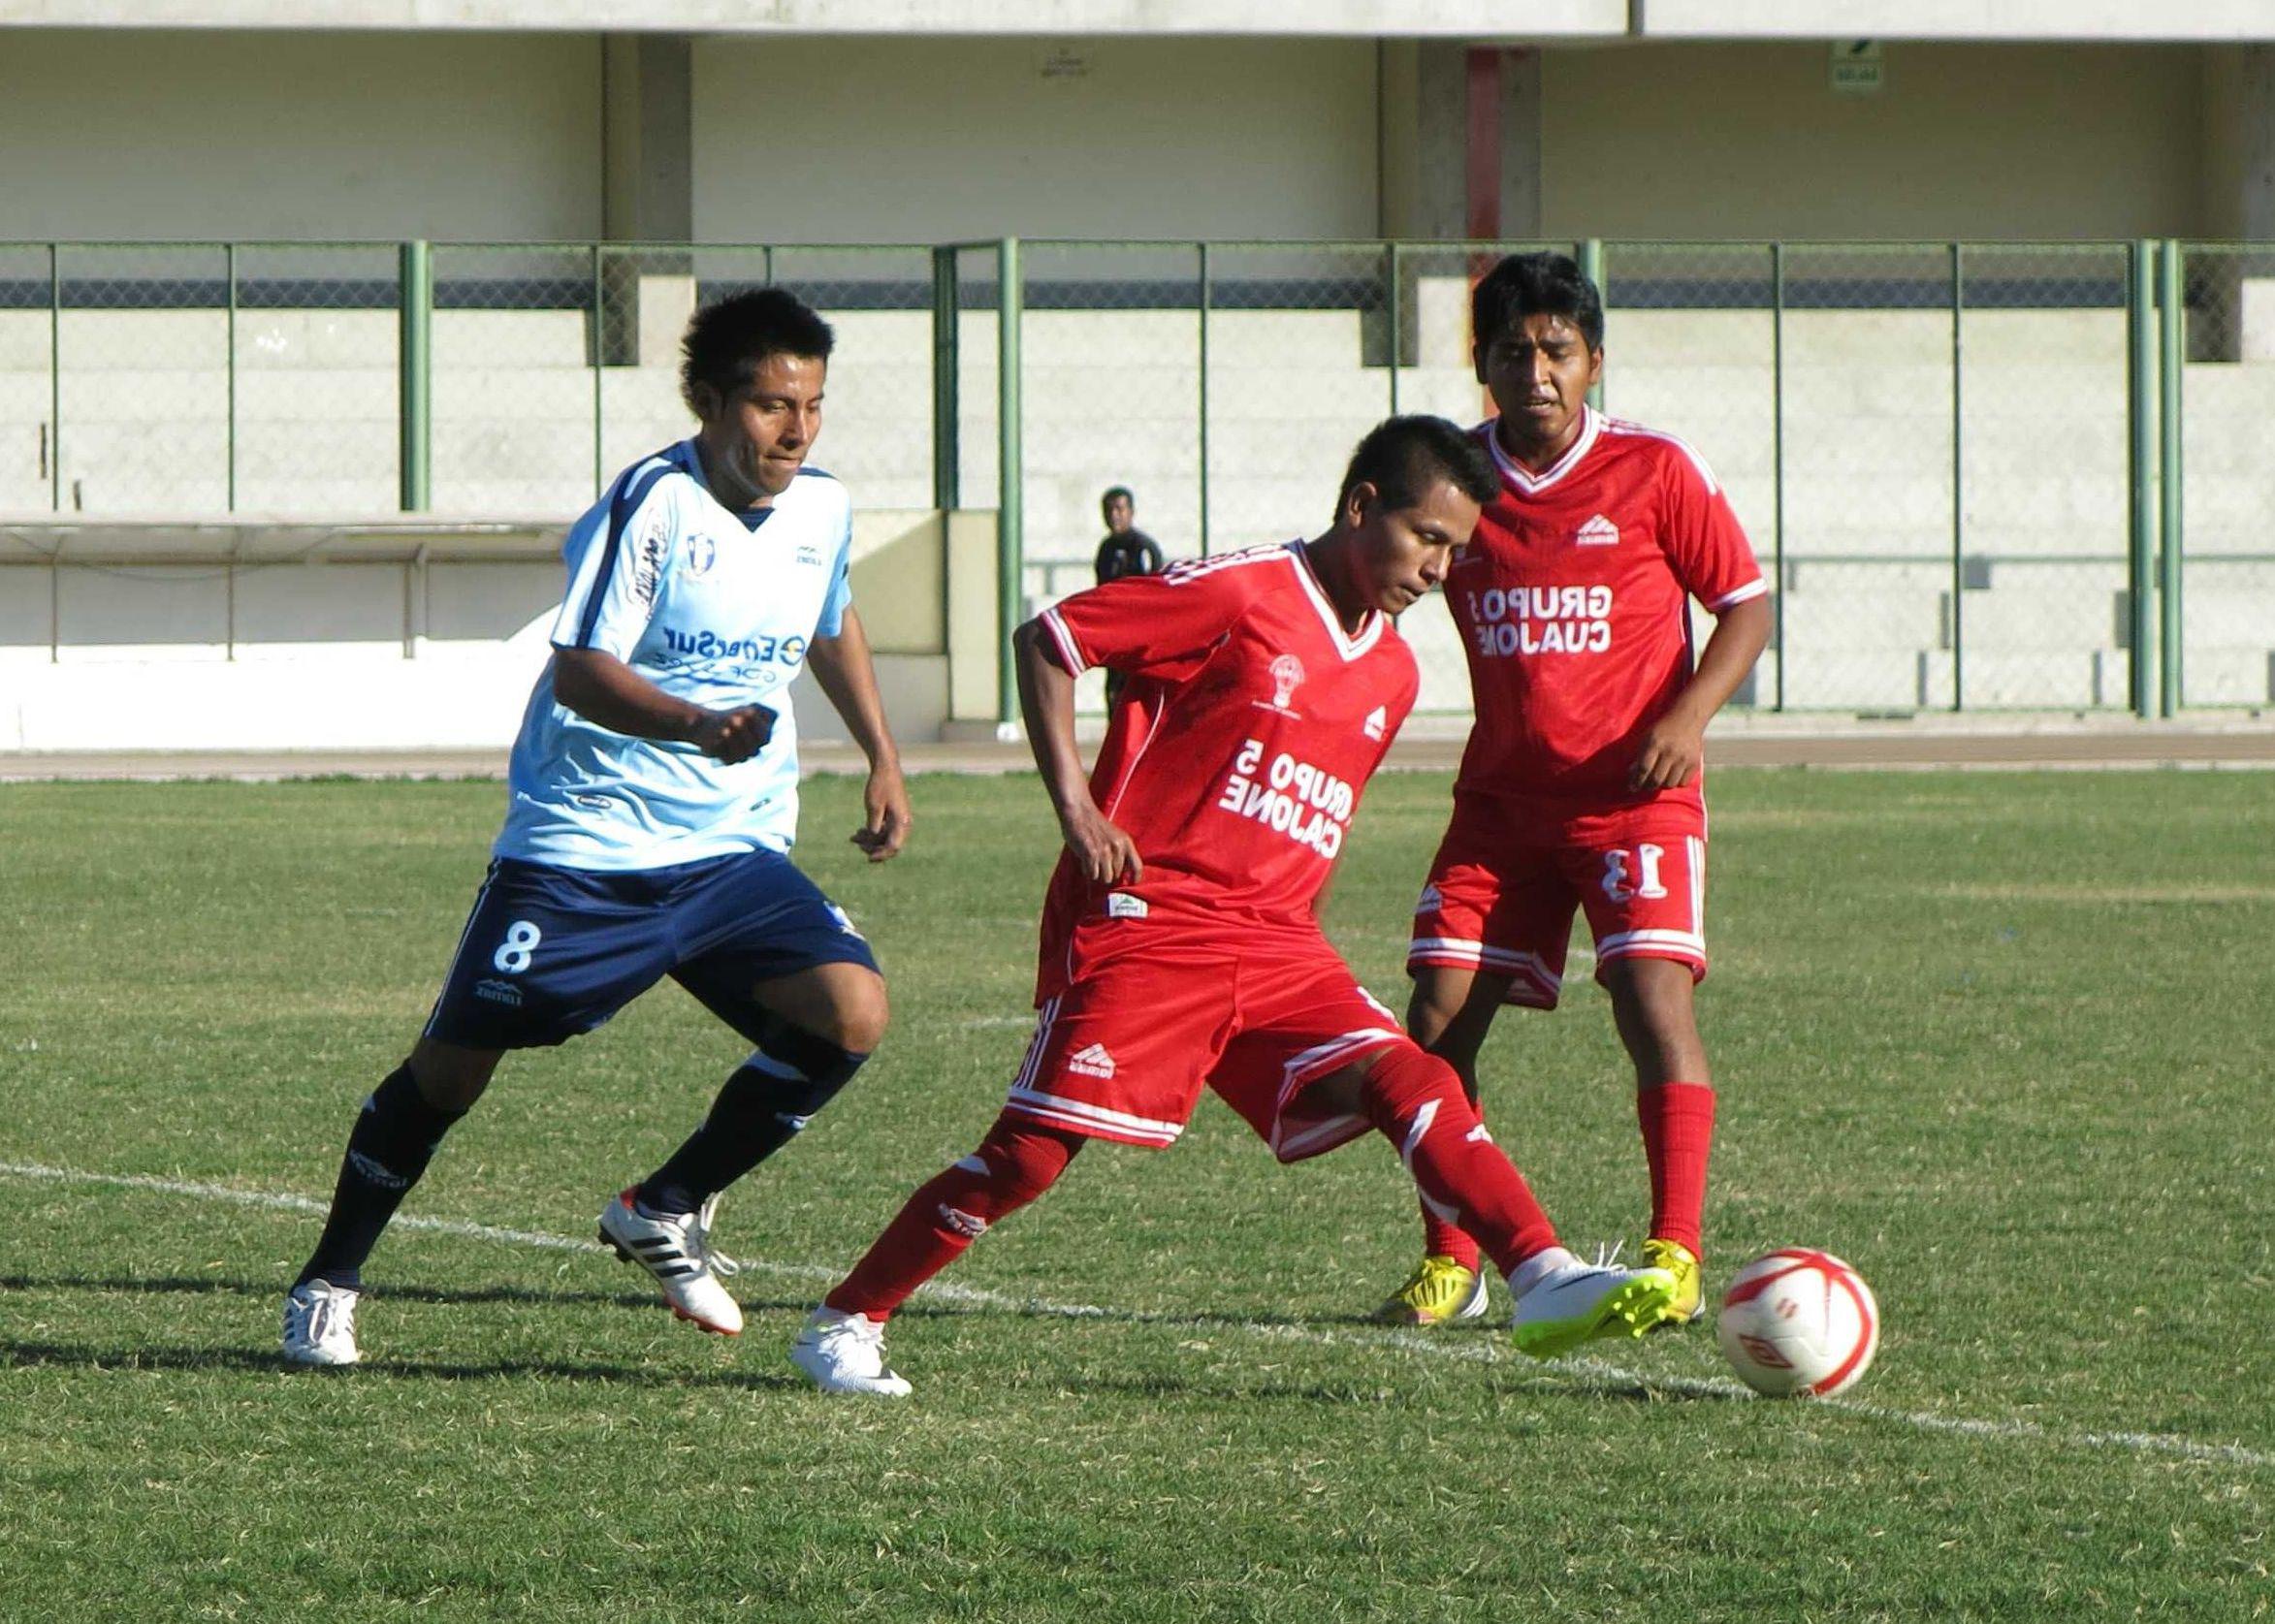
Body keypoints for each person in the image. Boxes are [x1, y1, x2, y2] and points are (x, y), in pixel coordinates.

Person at [788, 415, 1677, 1397]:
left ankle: (1542, 1273)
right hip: (1150, 918)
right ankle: (846, 1319)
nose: (1438, 568)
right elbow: (1050, 640)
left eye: (1457, 551)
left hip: (1279, 945)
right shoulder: (1242, 591)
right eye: (1428, 537)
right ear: (1361, 507)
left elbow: (1313, 824)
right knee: (1032, 1156)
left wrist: (1301, 933)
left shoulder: (1394, 671)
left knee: (1412, 1079)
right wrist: (1079, 811)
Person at [280, 288, 913, 1367]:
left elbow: (829, 615)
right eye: (769, 406)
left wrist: (883, 753)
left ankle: (664, 1206)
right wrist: (696, 721)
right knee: (452, 1071)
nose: (795, 429)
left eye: (810, 405)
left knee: (850, 1014)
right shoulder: (651, 505)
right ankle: (328, 1281)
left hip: (729, 852)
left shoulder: (823, 507)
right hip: (586, 849)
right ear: (708, 403)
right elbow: (578, 671)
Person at [1382, 251, 1772, 1331]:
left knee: (1652, 1003)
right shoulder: (1458, 485)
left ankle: (1677, 1254)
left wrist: (1684, 722)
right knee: (1435, 1023)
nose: (1538, 370)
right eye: (1515, 350)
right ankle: (1452, 1258)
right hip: (1502, 805)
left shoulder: (1653, 470)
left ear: (1594, 361)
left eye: (1558, 349)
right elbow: (1378, 574)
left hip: (1631, 800)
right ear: (1485, 364)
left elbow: (1743, 602)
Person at [1091, 487, 1165, 710]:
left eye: (1120, 509)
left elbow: (1156, 592)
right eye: (1109, 510)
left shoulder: (1143, 548)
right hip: (1115, 630)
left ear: (1131, 512)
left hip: (1140, 631)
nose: (1114, 515)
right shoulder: (1106, 548)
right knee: (1114, 688)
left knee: (1139, 688)